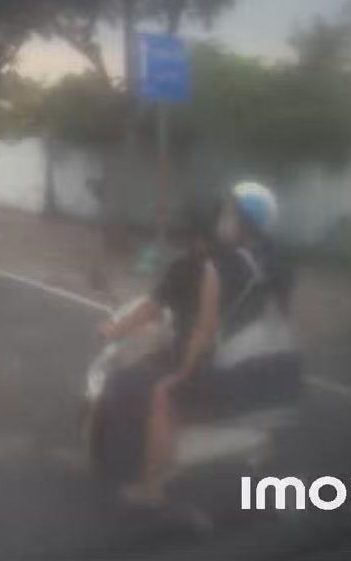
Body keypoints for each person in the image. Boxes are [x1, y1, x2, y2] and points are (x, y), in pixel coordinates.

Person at [99, 181, 301, 504]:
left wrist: (180, 374)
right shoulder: (279, 262)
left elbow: (201, 331)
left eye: (229, 213)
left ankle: (151, 488)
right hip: (278, 373)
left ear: (243, 221)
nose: (225, 219)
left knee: (164, 394)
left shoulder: (216, 266)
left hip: (233, 372)